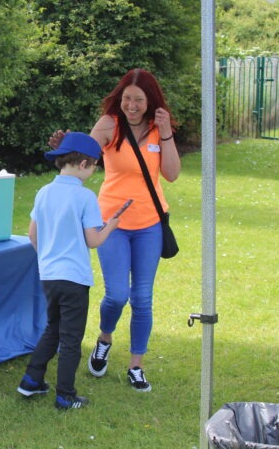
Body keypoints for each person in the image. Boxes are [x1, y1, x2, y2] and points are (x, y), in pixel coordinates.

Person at [48, 68, 180, 393]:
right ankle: (104, 339)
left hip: (149, 223)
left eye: (138, 100)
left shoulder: (158, 129)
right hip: (112, 223)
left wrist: (165, 133)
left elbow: (172, 174)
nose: (131, 105)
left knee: (142, 298)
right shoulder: (109, 124)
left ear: (150, 101)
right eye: (126, 98)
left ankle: (136, 365)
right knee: (118, 294)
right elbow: (83, 158)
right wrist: (64, 148)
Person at [17, 132, 121, 410]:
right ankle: (65, 394)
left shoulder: (43, 192)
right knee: (71, 338)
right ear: (84, 164)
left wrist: (47, 259)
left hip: (49, 276)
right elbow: (93, 240)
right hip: (74, 277)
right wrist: (112, 224)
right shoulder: (85, 197)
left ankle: (31, 380)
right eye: (95, 166)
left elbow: (32, 234)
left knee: (53, 327)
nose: (94, 171)